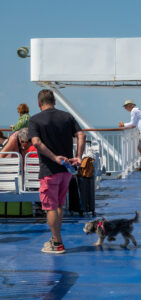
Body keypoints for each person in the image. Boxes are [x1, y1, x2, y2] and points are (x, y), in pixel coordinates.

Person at [28, 89, 86, 254]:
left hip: (49, 170)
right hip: (66, 170)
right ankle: (56, 239)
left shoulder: (35, 120)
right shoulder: (66, 116)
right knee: (59, 204)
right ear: (54, 102)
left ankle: (57, 243)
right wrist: (78, 156)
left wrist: (54, 158)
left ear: (39, 104)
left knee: (50, 207)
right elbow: (81, 135)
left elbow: (37, 143)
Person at [119, 100, 141, 171]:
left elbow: (133, 123)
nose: (125, 108)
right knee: (140, 148)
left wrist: (123, 124)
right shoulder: (137, 110)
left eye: (126, 106)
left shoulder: (133, 111)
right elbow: (135, 123)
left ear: (130, 105)